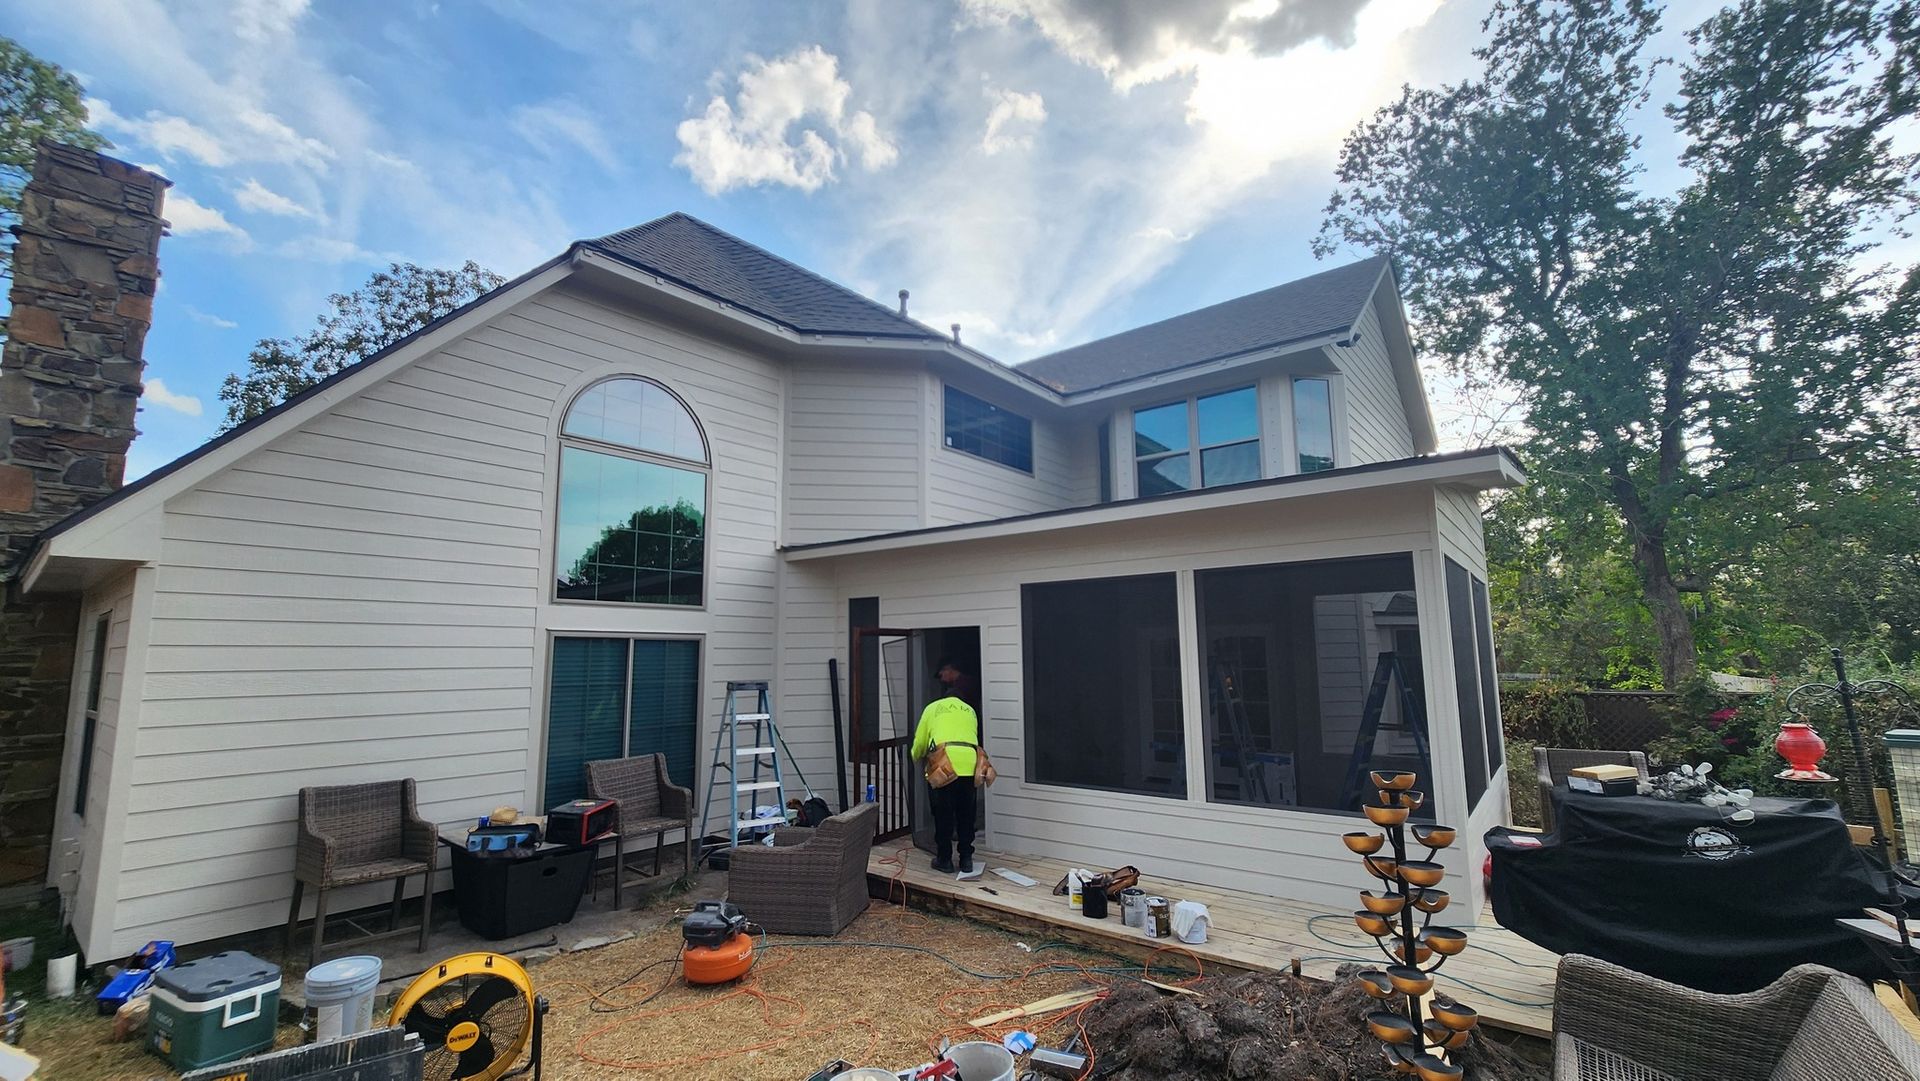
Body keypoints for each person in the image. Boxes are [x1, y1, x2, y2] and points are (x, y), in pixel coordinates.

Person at [911, 656, 980, 875]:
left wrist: (915, 756)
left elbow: (920, 743)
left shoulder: (933, 708)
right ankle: (967, 858)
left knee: (943, 812)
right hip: (969, 764)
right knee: (966, 813)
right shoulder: (970, 711)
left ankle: (944, 860)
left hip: (944, 765)